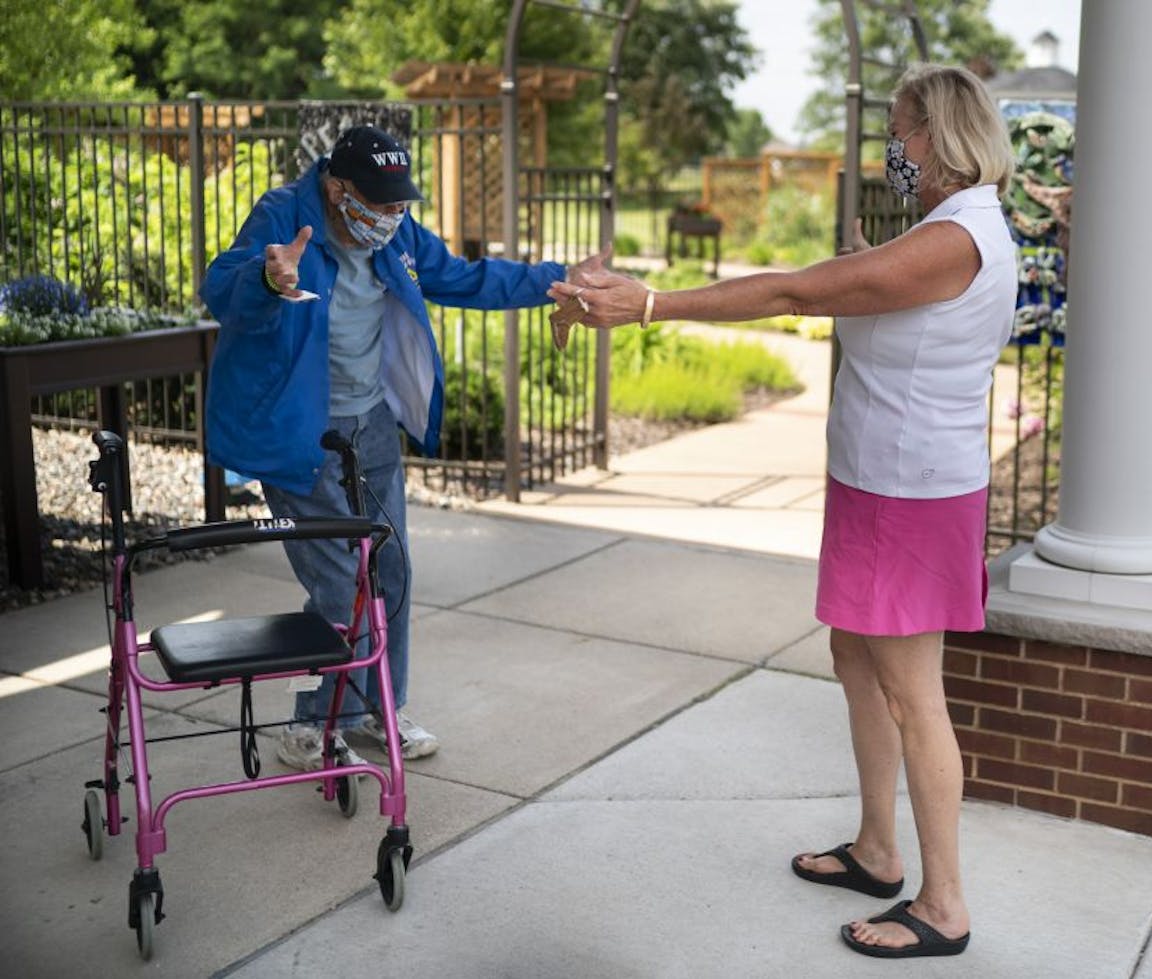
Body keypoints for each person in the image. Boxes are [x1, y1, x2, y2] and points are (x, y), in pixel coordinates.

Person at [552, 64, 1016, 959]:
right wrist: (852, 264)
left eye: (900, 129)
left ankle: (945, 903)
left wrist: (651, 304)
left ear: (941, 137)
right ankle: (879, 849)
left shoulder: (955, 238)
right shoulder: (948, 231)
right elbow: (857, 288)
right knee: (854, 656)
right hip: (882, 483)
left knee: (917, 695)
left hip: (910, 495)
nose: (892, 146)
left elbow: (795, 291)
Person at [202, 124, 604, 771]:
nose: (394, 215)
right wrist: (267, 279)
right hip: (296, 430)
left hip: (371, 426)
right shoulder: (285, 216)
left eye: (400, 203)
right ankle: (318, 716)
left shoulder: (395, 235)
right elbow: (220, 287)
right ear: (338, 189)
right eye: (381, 202)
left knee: (390, 572)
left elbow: (462, 277)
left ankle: (366, 710)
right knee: (341, 586)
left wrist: (555, 279)